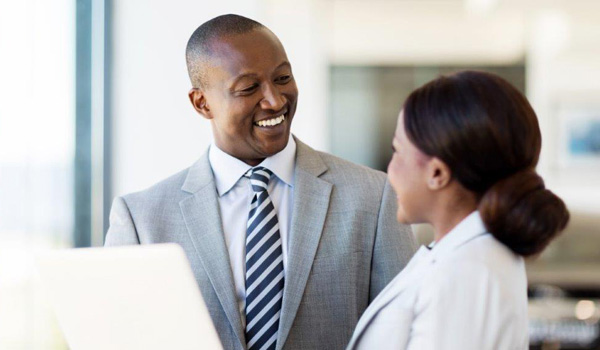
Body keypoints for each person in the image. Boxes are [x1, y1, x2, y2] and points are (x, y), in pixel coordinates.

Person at [105, 14, 416, 350]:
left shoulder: (373, 196)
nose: (275, 100)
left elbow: (406, 332)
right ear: (201, 102)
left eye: (282, 78)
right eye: (249, 88)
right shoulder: (142, 219)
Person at [346, 70, 570, 350]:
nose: (389, 171)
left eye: (397, 151)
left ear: (437, 173)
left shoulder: (466, 272)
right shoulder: (465, 256)